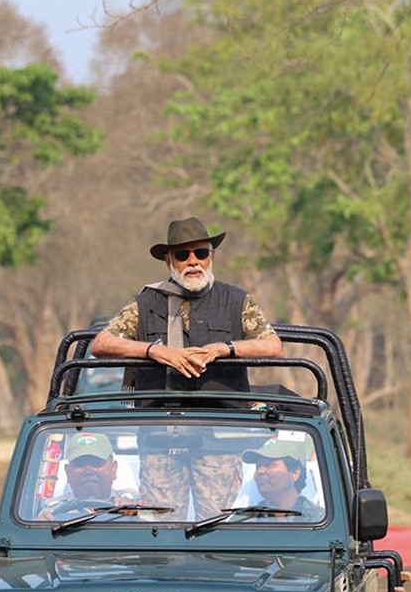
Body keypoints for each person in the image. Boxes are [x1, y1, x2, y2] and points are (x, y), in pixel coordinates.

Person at [88, 216, 282, 519]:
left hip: (220, 434)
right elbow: (101, 343)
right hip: (160, 437)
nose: (193, 262)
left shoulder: (235, 300)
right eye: (183, 255)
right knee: (161, 526)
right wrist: (155, 352)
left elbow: (273, 345)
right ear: (169, 260)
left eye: (200, 253)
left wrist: (226, 349)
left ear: (211, 256)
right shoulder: (146, 302)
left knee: (217, 526)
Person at [38, 433, 136, 519]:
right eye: (80, 464)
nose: (89, 471)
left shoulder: (133, 504)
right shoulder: (51, 511)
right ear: (67, 472)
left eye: (96, 462)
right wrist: (41, 528)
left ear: (113, 468)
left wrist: (134, 513)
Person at [241, 438, 326, 520]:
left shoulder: (319, 519)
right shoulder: (244, 521)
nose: (260, 471)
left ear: (295, 473)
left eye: (270, 464)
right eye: (258, 466)